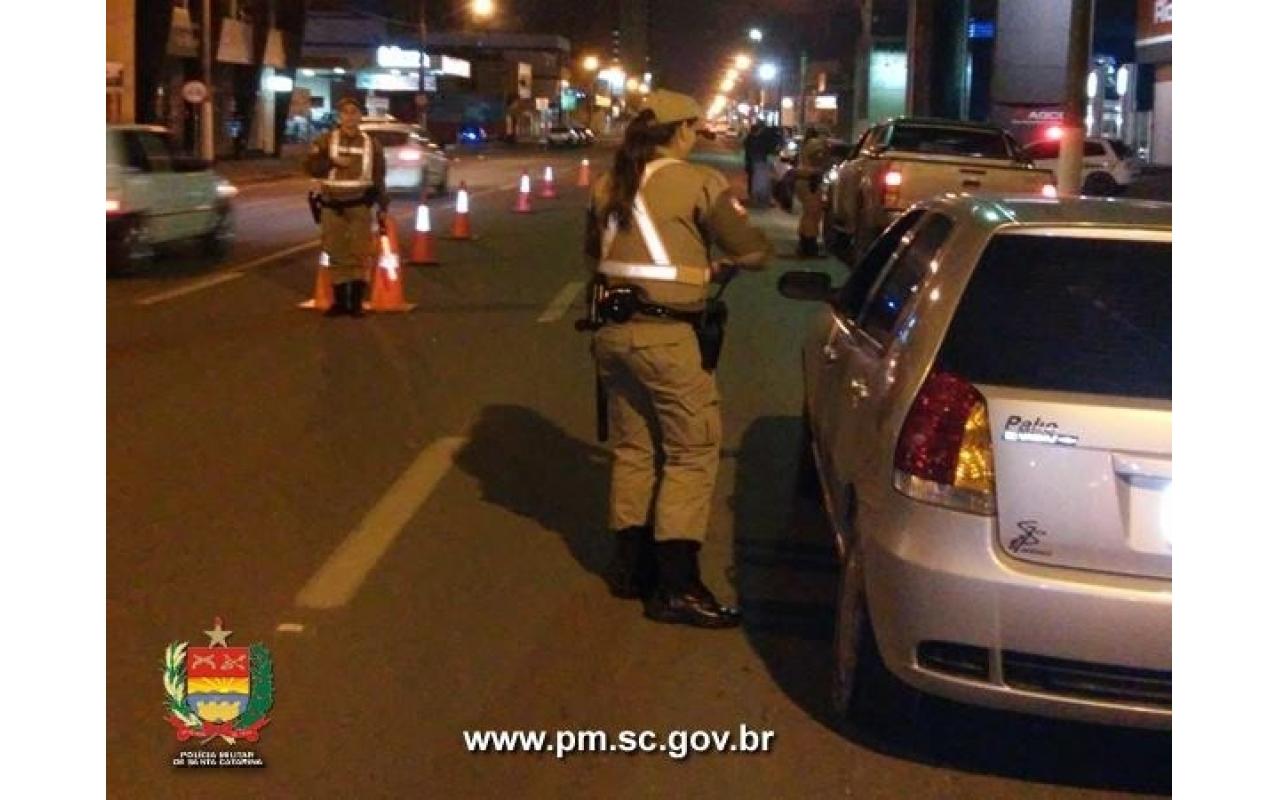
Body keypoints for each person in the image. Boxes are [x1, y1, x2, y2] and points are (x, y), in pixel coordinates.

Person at [583, 90, 773, 629]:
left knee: (634, 449)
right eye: (693, 127)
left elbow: (596, 256)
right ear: (682, 130)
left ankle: (630, 568)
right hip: (667, 339)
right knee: (692, 453)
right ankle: (678, 586)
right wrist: (719, 267)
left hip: (612, 338)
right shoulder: (698, 182)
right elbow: (754, 250)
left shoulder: (607, 185)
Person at [304, 96, 389, 317]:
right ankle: (340, 302)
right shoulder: (325, 140)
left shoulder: (372, 144)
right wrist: (332, 162)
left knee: (360, 253)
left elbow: (379, 176)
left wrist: (383, 206)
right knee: (336, 252)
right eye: (345, 112)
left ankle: (356, 303)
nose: (350, 117)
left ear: (360, 116)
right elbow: (311, 167)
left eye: (354, 112)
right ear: (339, 116)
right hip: (332, 206)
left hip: (360, 205)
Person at [793, 127, 830, 257]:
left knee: (808, 213)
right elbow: (818, 158)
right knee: (813, 213)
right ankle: (809, 245)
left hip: (804, 180)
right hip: (811, 180)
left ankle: (804, 243)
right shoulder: (815, 144)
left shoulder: (806, 144)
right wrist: (825, 153)